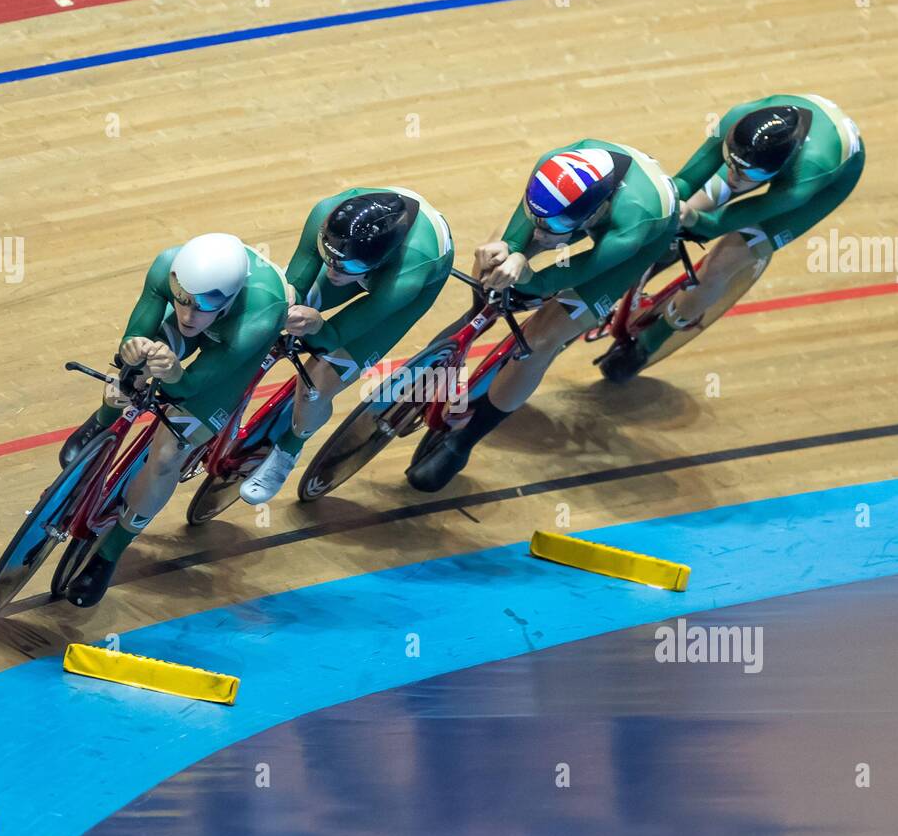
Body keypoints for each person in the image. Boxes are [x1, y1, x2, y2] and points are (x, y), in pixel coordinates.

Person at [405, 140, 679, 492]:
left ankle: (463, 443)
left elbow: (576, 272)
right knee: (493, 259)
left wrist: (531, 277)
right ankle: (465, 332)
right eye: (539, 221)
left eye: (550, 228)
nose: (541, 234)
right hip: (571, 207)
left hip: (637, 241)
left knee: (541, 340)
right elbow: (523, 235)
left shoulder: (635, 223)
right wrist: (510, 253)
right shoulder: (550, 171)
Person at [58, 233, 289, 606]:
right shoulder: (168, 266)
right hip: (217, 319)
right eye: (180, 299)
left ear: (228, 299)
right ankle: (103, 421)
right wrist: (133, 347)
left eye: (201, 306)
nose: (187, 313)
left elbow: (194, 385)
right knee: (134, 367)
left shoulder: (260, 312)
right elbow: (137, 333)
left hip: (233, 348)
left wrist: (177, 374)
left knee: (167, 457)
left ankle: (109, 552)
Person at [599, 94, 865, 381]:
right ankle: (665, 251)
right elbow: (684, 183)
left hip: (827, 181)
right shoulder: (737, 121)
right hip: (757, 154)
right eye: (730, 163)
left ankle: (650, 343)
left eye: (746, 173)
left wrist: (695, 221)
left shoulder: (804, 179)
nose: (734, 178)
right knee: (688, 204)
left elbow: (716, 225)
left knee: (723, 262)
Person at [237, 188, 454, 504]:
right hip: (357, 253)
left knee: (317, 382)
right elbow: (294, 289)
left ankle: (288, 450)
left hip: (401, 282)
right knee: (279, 310)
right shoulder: (327, 217)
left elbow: (335, 335)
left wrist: (315, 326)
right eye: (328, 260)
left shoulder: (409, 272)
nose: (333, 273)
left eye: (346, 268)